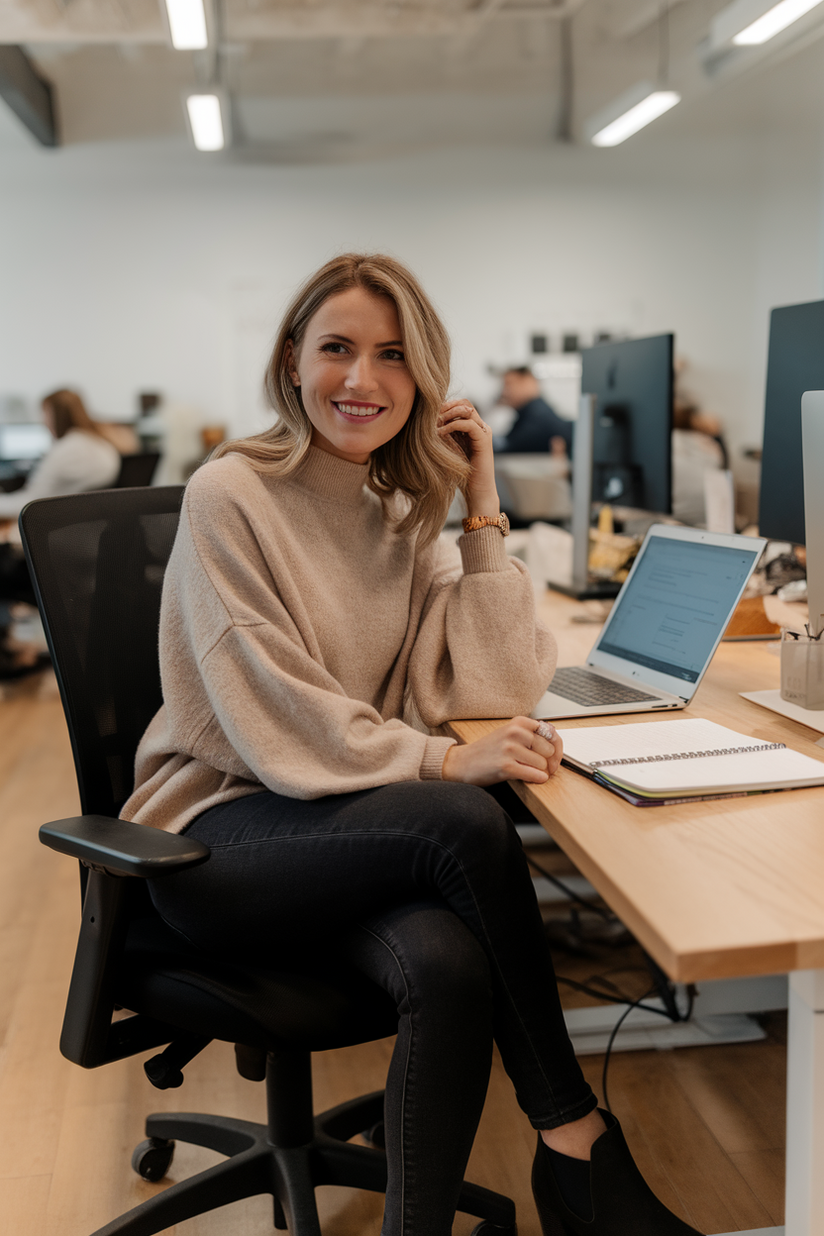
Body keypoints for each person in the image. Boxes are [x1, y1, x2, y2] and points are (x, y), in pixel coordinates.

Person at [122, 254, 702, 1236]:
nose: (361, 380)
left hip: (344, 824)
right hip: (219, 838)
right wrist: (436, 761)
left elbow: (493, 683)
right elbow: (273, 707)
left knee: (446, 963)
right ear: (291, 361)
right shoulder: (230, 494)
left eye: (391, 355)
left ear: (424, 376)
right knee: (460, 817)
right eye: (337, 349)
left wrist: (478, 507)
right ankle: (574, 1138)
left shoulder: (397, 507)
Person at [0, 388, 121, 521]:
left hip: (52, 522)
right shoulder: (100, 442)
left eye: (45, 413)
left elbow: (30, 504)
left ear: (55, 414)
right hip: (83, 521)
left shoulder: (68, 448)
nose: (43, 421)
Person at [494, 365, 573, 456]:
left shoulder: (538, 417)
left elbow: (510, 447)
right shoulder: (530, 413)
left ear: (528, 382)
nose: (504, 392)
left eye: (508, 385)